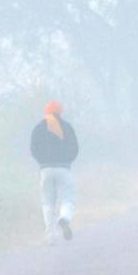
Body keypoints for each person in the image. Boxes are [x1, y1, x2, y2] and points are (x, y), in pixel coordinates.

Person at [30, 100, 79, 243]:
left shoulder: (38, 128)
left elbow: (33, 149)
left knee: (47, 203)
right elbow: (75, 148)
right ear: (60, 111)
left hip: (45, 169)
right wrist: (67, 160)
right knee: (67, 198)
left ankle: (51, 236)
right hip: (64, 168)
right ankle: (64, 218)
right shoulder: (67, 127)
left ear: (46, 111)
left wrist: (42, 162)